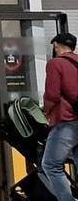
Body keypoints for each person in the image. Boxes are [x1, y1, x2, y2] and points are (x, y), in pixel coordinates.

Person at [40, 32, 78, 201]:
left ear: (56, 46)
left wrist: (46, 112)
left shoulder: (55, 64)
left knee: (51, 164)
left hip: (67, 122)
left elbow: (52, 95)